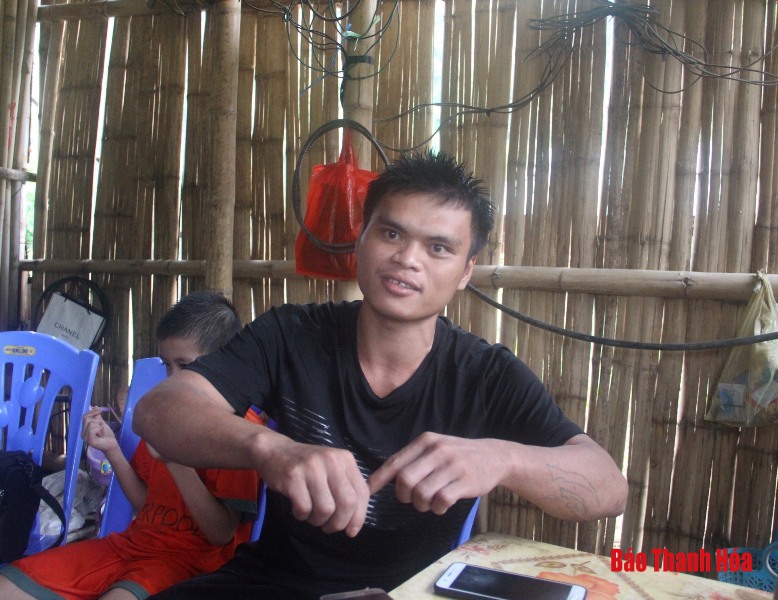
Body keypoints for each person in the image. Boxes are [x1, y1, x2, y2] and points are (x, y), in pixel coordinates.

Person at [134, 150, 628, 599]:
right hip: (275, 583)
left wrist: (503, 459)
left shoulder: (486, 375)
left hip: (410, 592)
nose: (407, 259)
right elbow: (158, 412)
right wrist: (269, 448)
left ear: (465, 271)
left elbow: (609, 487)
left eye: (438, 248)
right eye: (391, 234)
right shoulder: (291, 334)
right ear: (361, 239)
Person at [0, 291, 262, 600]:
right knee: (7, 586)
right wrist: (112, 449)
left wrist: (176, 461)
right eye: (167, 365)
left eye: (184, 365)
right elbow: (146, 505)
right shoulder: (165, 416)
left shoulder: (238, 432)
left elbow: (220, 534)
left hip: (192, 564)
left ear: (222, 363)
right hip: (130, 547)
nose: (172, 377)